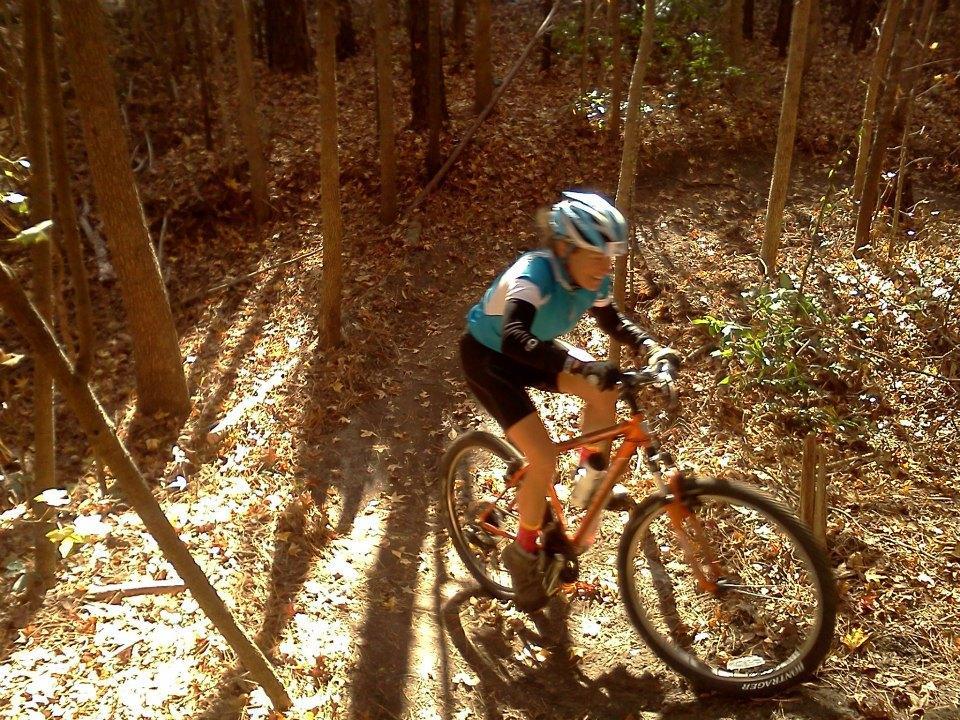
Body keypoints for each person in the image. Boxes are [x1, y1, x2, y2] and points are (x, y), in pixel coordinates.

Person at [460, 190, 680, 612]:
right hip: (490, 359)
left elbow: (611, 320)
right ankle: (523, 552)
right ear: (564, 249)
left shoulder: (591, 278)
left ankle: (589, 481)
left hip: (533, 351)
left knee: (605, 388)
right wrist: (578, 366)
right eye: (597, 255)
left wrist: (652, 348)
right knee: (542, 457)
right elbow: (514, 337)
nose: (606, 265)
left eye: (610, 255)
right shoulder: (533, 275)